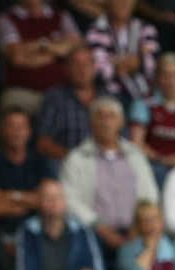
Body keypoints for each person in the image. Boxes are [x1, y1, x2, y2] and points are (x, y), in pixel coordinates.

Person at [59, 96, 158, 252]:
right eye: (100, 116)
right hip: (93, 232)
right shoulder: (76, 158)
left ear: (121, 122)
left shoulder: (135, 155)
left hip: (136, 231)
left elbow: (149, 194)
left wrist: (139, 225)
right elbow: (69, 199)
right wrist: (100, 227)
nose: (106, 122)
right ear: (91, 123)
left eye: (111, 116)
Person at [15, 179, 109, 270]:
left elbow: (97, 269)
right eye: (48, 197)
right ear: (39, 202)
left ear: (65, 202)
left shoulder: (81, 230)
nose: (53, 202)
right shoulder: (28, 232)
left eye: (58, 197)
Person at [0, 107, 52, 230]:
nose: (17, 132)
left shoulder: (41, 162)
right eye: (11, 126)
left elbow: (46, 202)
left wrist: (11, 196)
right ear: (2, 131)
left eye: (21, 127)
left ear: (29, 131)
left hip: (36, 233)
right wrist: (29, 201)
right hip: (0, 233)